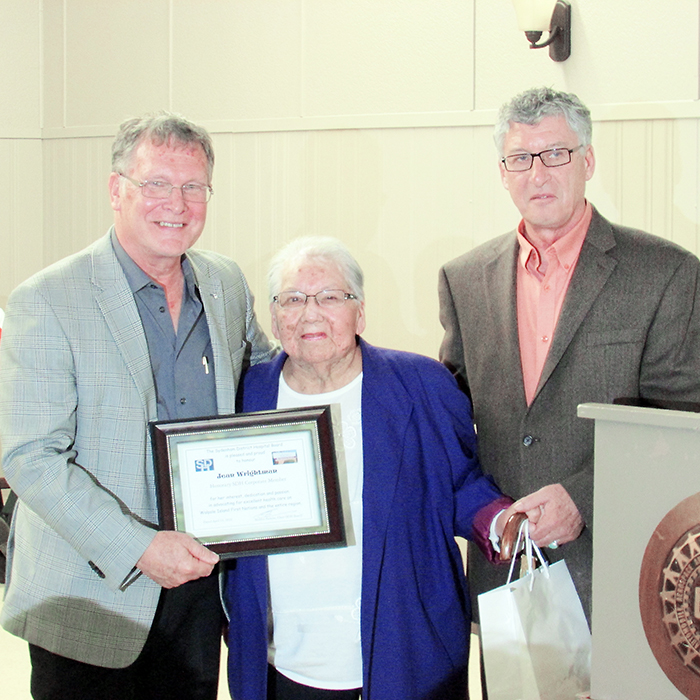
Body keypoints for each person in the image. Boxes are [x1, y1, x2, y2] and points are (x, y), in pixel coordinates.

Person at [0, 112, 275, 699]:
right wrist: (140, 547)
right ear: (116, 190)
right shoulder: (47, 299)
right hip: (89, 597)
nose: (175, 203)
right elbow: (29, 458)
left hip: (199, 591)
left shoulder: (224, 283)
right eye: (156, 183)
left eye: (192, 186)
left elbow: (268, 386)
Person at [224, 236, 530, 700]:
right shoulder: (248, 397)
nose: (311, 312)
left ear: (359, 312)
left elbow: (460, 485)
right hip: (282, 662)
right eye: (292, 299)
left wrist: (503, 521)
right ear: (274, 316)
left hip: (406, 654)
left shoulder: (422, 385)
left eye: (330, 297)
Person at [438, 86, 700, 627]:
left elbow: (682, 427)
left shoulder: (665, 273)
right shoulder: (463, 279)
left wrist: (584, 497)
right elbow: (453, 427)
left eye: (556, 153)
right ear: (503, 173)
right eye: (520, 158)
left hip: (621, 568)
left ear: (588, 160)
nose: (539, 173)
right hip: (505, 573)